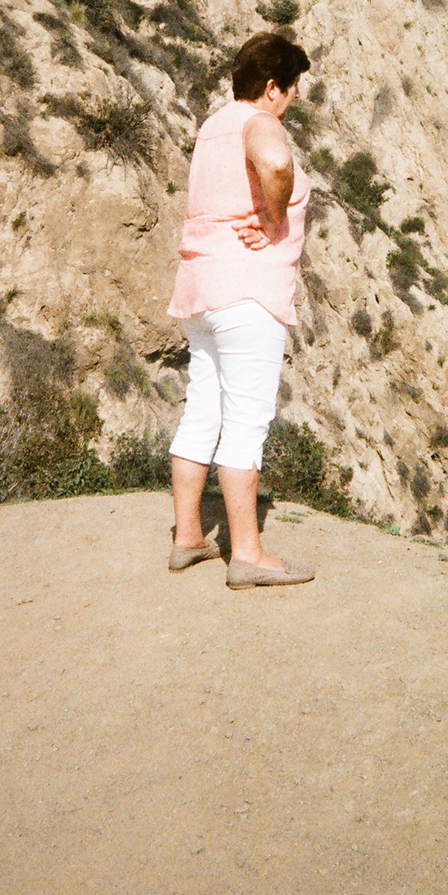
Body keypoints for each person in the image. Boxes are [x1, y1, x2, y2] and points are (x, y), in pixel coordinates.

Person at [165, 32, 317, 588]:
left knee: (202, 411)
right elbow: (275, 163)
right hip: (247, 294)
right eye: (292, 87)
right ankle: (247, 555)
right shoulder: (261, 122)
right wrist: (275, 219)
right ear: (272, 87)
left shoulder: (213, 126)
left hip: (200, 290)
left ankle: (188, 537)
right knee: (246, 424)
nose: (294, 97)